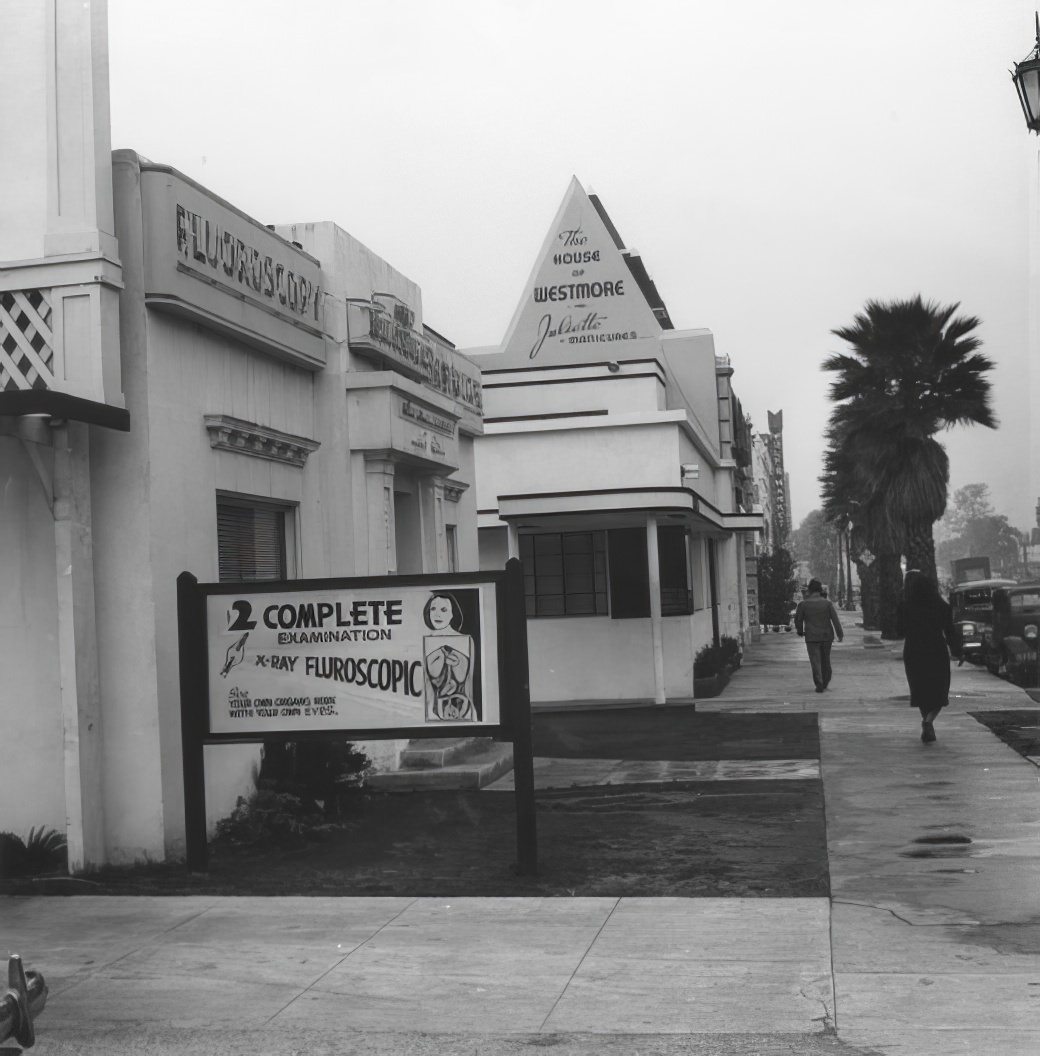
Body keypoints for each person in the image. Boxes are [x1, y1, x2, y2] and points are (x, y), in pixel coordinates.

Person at [896, 570, 956, 744]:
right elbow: (950, 632)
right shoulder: (942, 606)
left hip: (914, 651)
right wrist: (957, 650)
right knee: (939, 691)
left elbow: (899, 631)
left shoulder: (906, 607)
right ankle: (928, 721)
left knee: (921, 689)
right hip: (937, 651)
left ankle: (927, 721)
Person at [794, 579, 844, 692]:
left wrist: (800, 631)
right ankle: (826, 680)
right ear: (820, 590)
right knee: (825, 659)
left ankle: (819, 683)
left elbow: (798, 620)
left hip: (811, 637)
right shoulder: (827, 604)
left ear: (810, 590)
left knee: (815, 660)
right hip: (827, 636)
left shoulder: (803, 604)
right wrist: (840, 634)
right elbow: (835, 620)